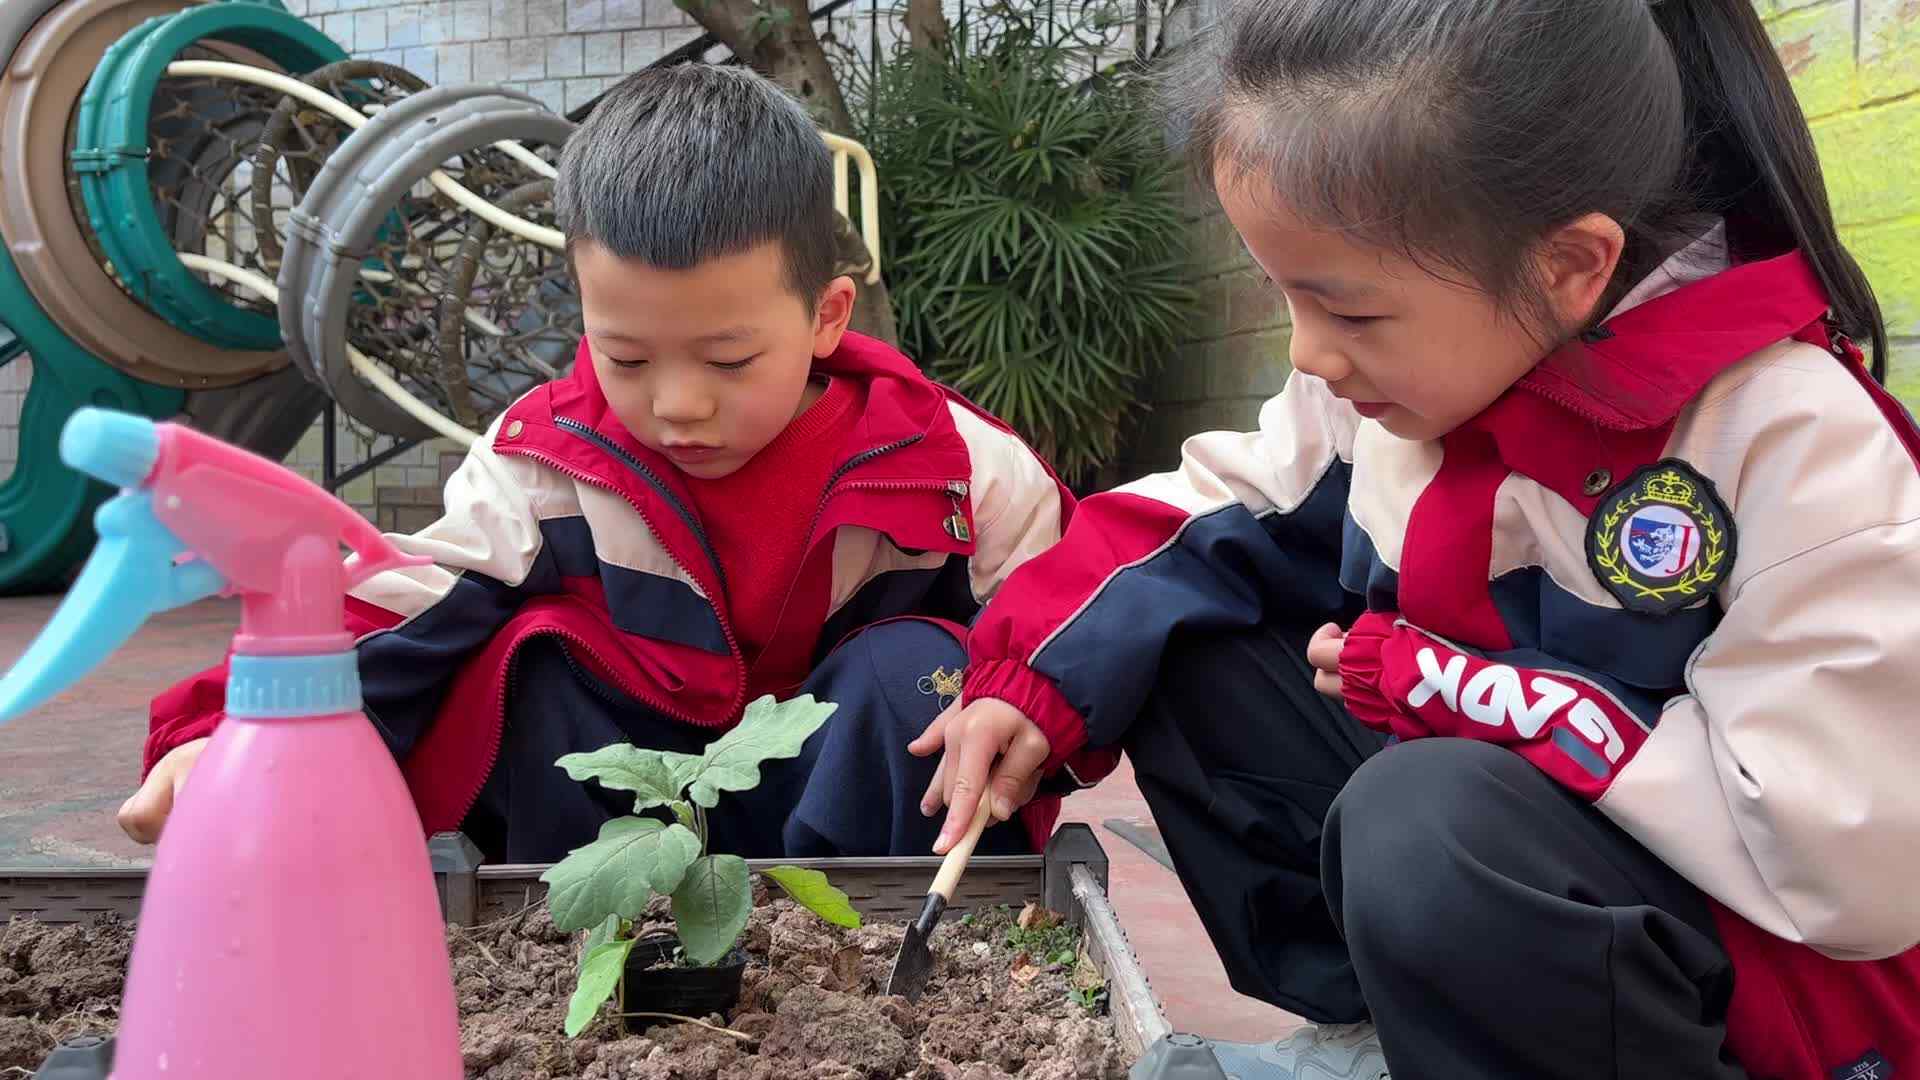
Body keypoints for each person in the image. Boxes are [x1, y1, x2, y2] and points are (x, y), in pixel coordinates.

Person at [914, 0, 1920, 1076]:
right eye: (1284, 295)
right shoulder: (1392, 390)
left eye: (1349, 312)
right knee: (1175, 639)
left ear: (1568, 267)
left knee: (1426, 824)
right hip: (1530, 884)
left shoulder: (1784, 441)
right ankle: (1371, 1044)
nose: (1308, 355)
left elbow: (1841, 870)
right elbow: (1201, 516)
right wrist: (1033, 674)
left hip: (1762, 1002)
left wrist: (1448, 686)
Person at [122, 64, 1103, 865]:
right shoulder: (549, 462)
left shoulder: (944, 466)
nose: (677, 404)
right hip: (616, 842)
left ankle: (892, 962)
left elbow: (1077, 608)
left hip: (853, 837)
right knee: (534, 654)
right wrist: (226, 734)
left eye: (729, 360)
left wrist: (1023, 695)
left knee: (920, 675)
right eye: (625, 357)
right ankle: (570, 959)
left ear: (826, 316)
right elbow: (395, 606)